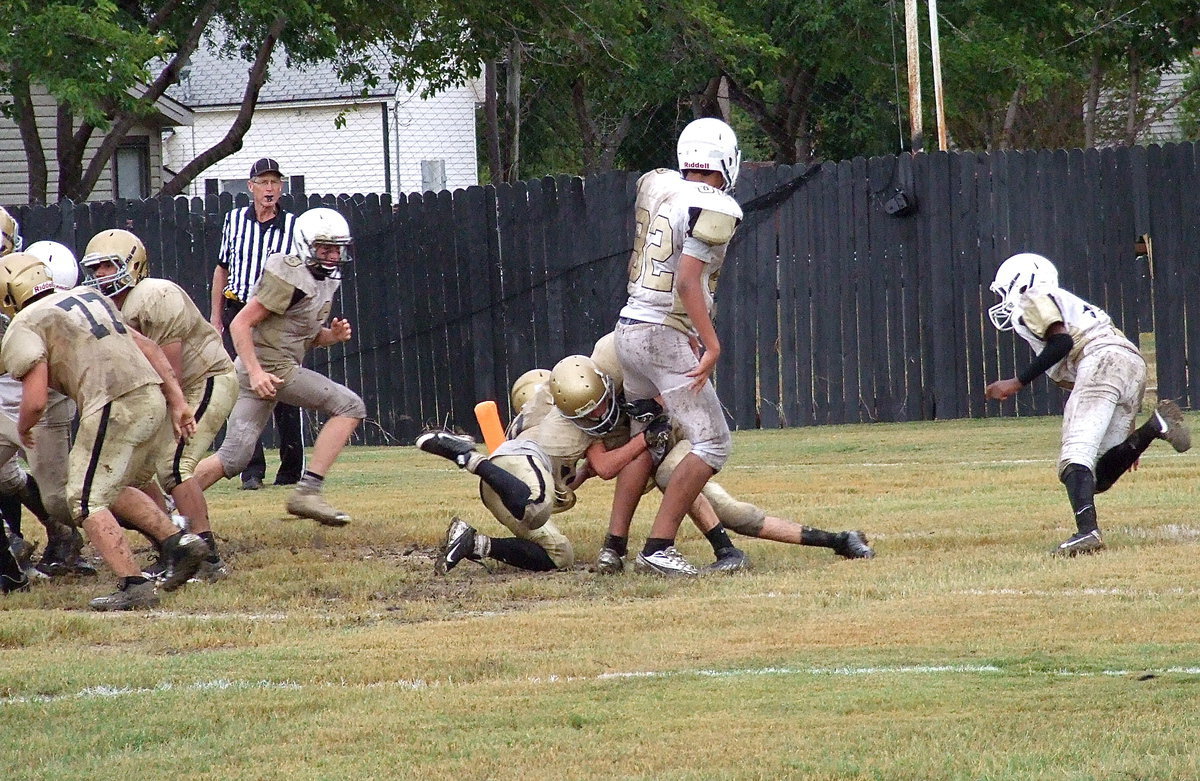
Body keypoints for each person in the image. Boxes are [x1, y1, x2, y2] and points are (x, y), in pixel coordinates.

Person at [0, 252, 211, 610]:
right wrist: (177, 401)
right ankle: (180, 543)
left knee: (83, 501)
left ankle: (133, 584)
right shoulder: (91, 296)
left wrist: (23, 429)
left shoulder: (25, 322)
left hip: (113, 403)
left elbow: (35, 400)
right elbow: (147, 346)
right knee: (108, 487)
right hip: (149, 394)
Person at [582, 334, 875, 572]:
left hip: (679, 435)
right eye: (586, 413)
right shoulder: (570, 417)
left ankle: (836, 540)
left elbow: (683, 375)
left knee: (725, 508)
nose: (598, 413)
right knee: (649, 459)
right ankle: (618, 547)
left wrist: (657, 405)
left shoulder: (619, 352)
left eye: (599, 403)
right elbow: (601, 468)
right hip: (648, 446)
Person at [984, 252, 1191, 555]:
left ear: (1021, 281)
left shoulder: (1032, 297)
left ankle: (1087, 532)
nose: (1004, 299)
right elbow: (1113, 355)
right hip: (1128, 362)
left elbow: (1063, 343)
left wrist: (1017, 382)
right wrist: (1132, 441)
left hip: (1099, 360)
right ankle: (1156, 426)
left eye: (1005, 290)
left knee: (1074, 457)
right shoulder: (1070, 303)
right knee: (1097, 476)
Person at [612, 116, 744, 576]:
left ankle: (613, 546)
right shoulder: (718, 206)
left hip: (628, 326)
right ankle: (658, 547)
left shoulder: (658, 184)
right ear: (726, 160)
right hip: (661, 336)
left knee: (647, 436)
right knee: (711, 443)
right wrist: (711, 344)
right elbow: (688, 280)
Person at [81, 229, 238, 581]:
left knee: (174, 465)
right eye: (97, 268)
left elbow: (173, 374)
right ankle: (174, 547)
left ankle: (207, 556)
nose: (103, 275)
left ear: (134, 265)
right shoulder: (104, 306)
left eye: (109, 265)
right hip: (163, 390)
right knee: (135, 475)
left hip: (204, 381)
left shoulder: (155, 295)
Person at [191, 207, 364, 527]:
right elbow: (240, 324)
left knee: (234, 458)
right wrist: (257, 372)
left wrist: (332, 337)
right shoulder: (290, 275)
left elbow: (303, 336)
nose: (332, 255)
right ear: (305, 245)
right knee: (350, 406)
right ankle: (308, 491)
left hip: (262, 370)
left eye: (336, 248)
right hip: (268, 369)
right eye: (325, 248)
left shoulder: (323, 281)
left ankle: (168, 507)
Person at [1, 239, 93, 578]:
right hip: (20, 405)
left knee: (60, 491)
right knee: (19, 479)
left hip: (33, 407)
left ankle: (164, 531)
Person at [209, 158, 303, 490]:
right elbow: (222, 268)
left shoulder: (293, 225)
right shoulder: (233, 220)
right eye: (263, 182)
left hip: (275, 314)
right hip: (239, 310)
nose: (270, 189)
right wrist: (216, 317)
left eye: (275, 183)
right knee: (244, 385)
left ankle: (291, 471)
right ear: (250, 186)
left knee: (285, 386)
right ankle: (252, 469)